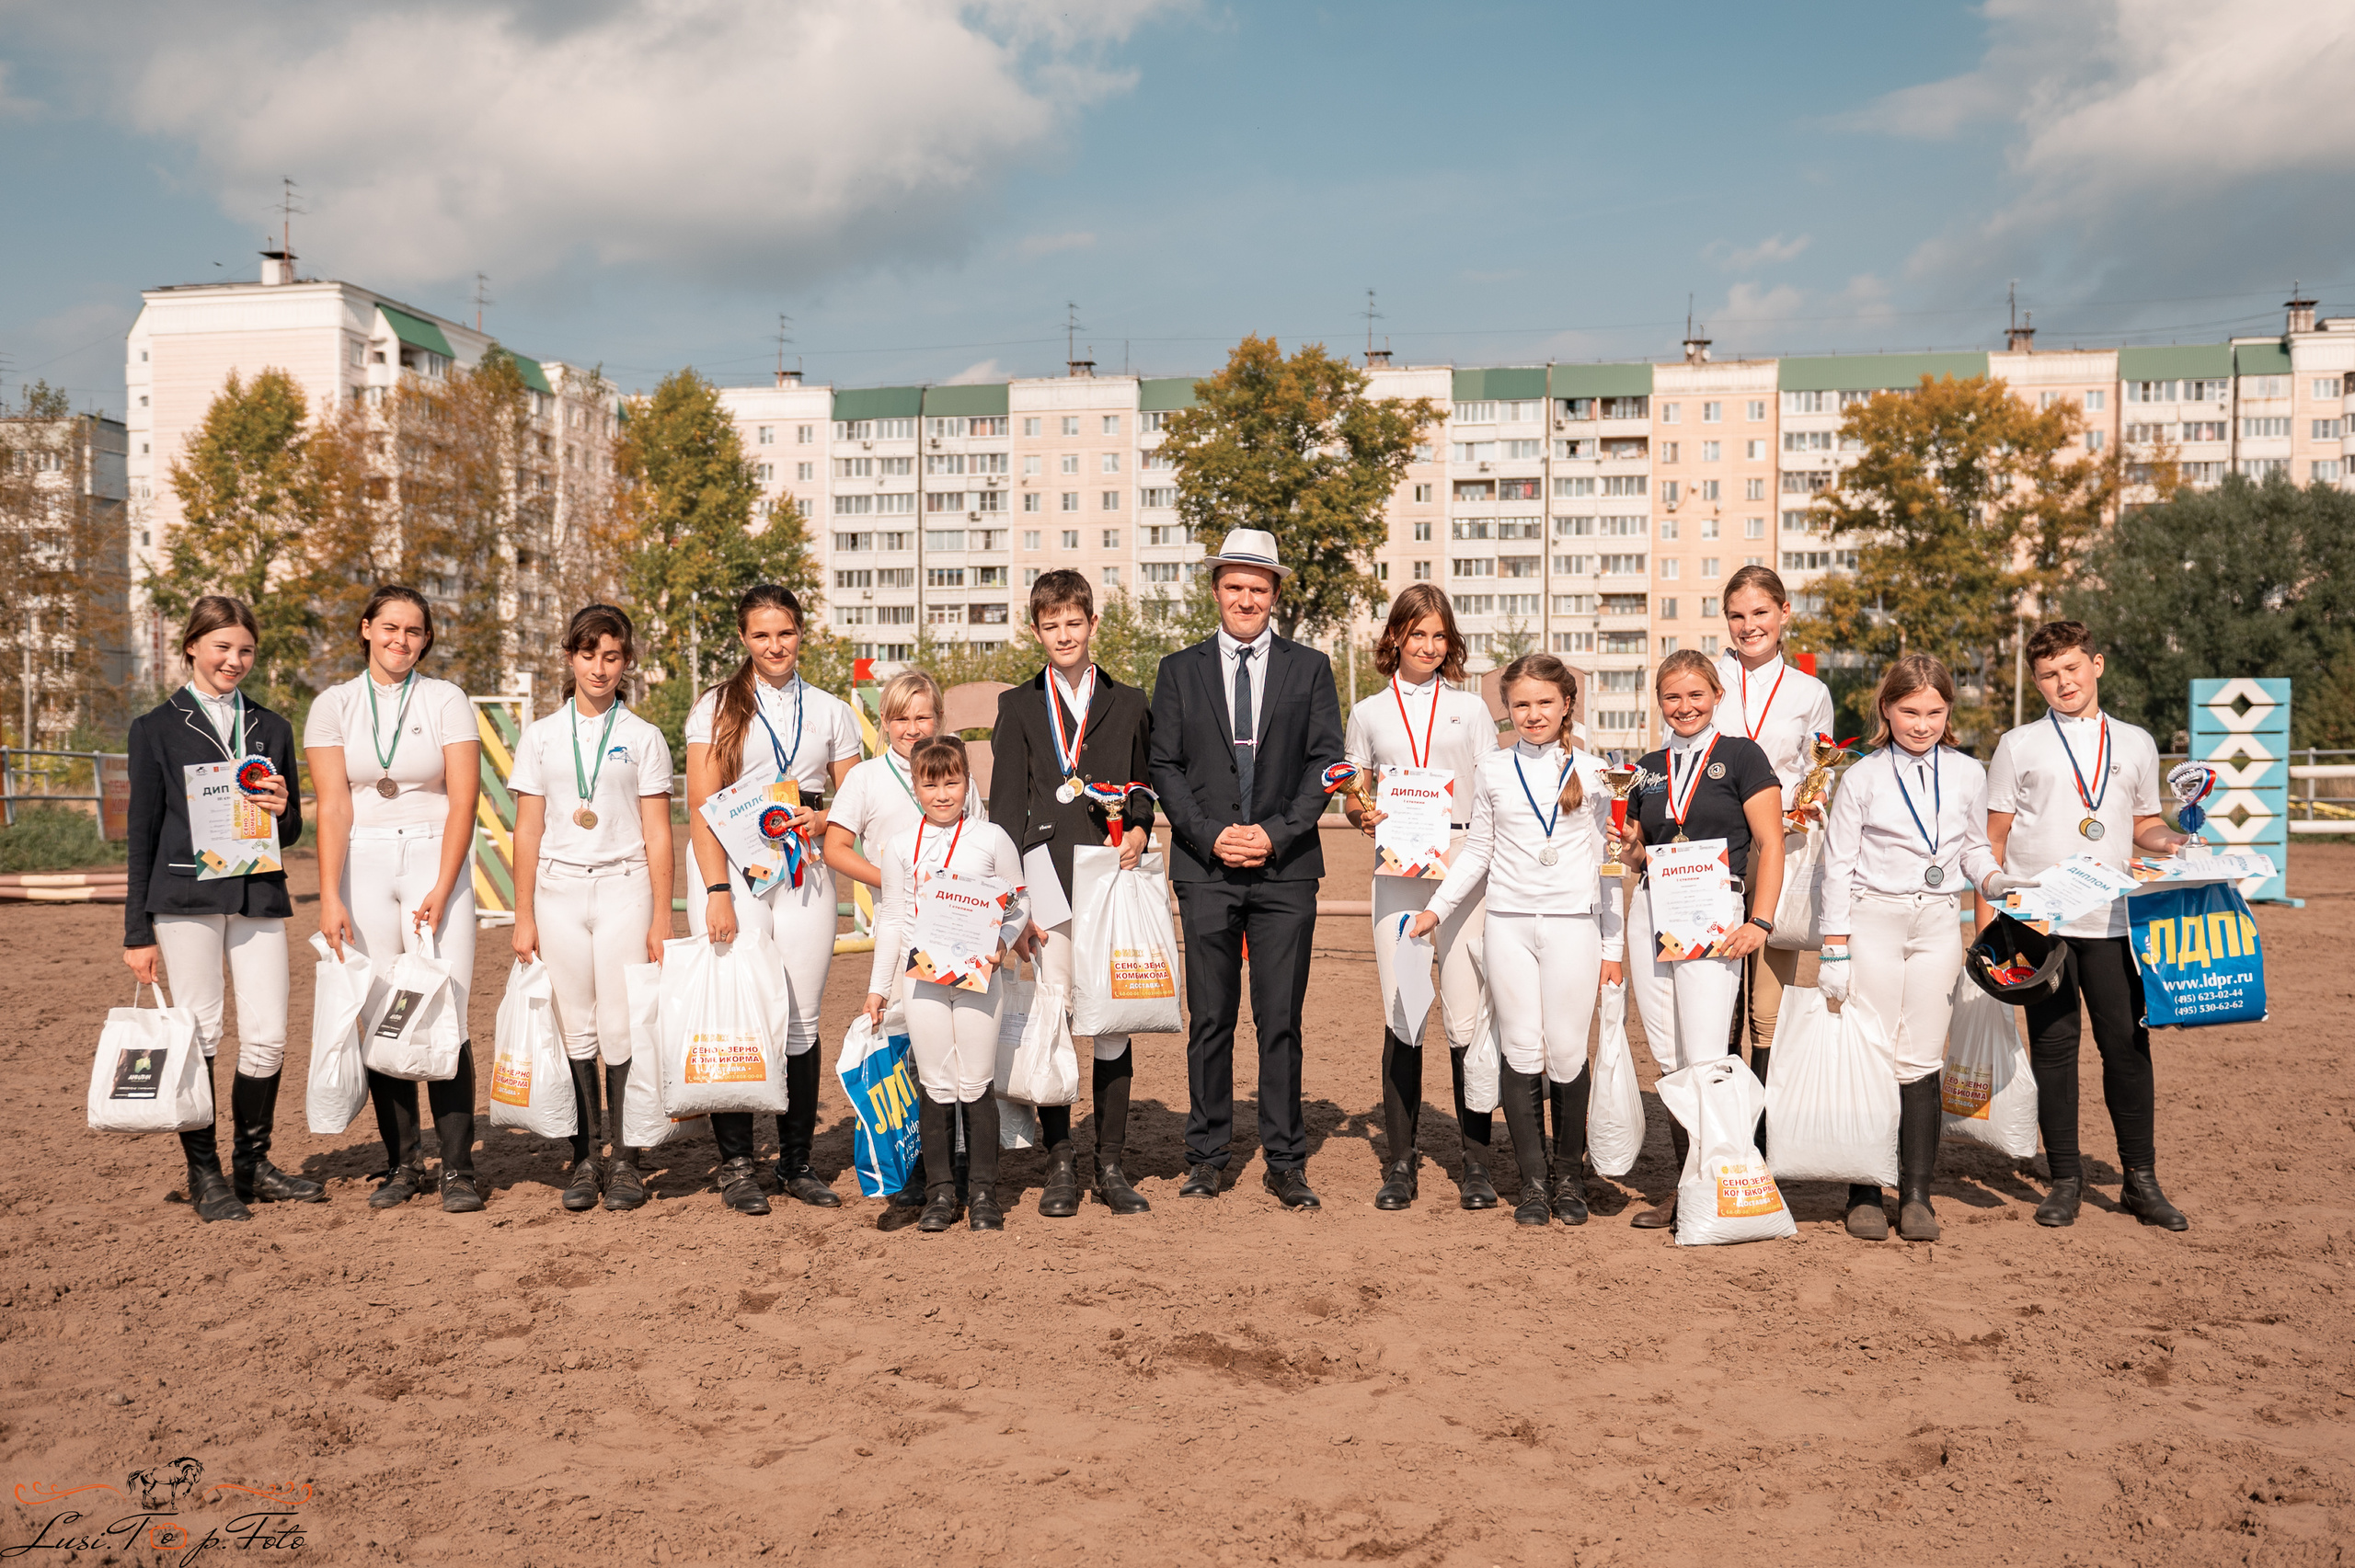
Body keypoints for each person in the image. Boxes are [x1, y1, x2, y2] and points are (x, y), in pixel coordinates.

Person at [1148, 528, 1344, 1210]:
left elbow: (1326, 762)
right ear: (1215, 591)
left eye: (1258, 588)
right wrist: (1212, 835)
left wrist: (1274, 833)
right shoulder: (1178, 669)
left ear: (1275, 595)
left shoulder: (1311, 668)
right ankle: (1206, 1155)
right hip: (1206, 867)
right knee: (1210, 1017)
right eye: (1234, 586)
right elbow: (1164, 766)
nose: (1246, 598)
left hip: (1286, 869)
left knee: (1280, 1017)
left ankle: (1286, 1159)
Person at [1983, 620, 2188, 1230]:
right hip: (2038, 922)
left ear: (2096, 665)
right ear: (2036, 680)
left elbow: (2144, 825)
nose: (2062, 681)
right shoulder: (2017, 744)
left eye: (2072, 668)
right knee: (2053, 1047)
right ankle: (2065, 1179)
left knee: (2126, 1045)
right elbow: (1992, 843)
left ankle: (2141, 1181)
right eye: (2048, 674)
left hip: (2113, 917)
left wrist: (2173, 840)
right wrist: (1987, 930)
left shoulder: (2136, 742)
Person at [1409, 654, 1622, 1226]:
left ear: (1567, 705)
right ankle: (1533, 1184)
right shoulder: (1494, 768)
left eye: (1544, 702)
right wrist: (1436, 909)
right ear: (1506, 710)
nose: (1533, 714)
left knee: (1568, 1049)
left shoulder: (1599, 773)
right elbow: (1479, 849)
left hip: (1574, 926)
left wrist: (1613, 948)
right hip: (1507, 924)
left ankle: (1570, 1180)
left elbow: (1610, 862)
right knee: (1522, 1047)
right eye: (1520, 704)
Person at [122, 596, 313, 1222]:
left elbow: (289, 833)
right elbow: (142, 832)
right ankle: (206, 1174)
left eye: (246, 649)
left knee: (267, 1036)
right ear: (192, 648)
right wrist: (136, 930)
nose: (235, 659)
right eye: (223, 646)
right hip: (185, 900)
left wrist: (284, 807)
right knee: (201, 1031)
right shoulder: (155, 727)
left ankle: (252, 1165)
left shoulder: (272, 728)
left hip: (257, 894)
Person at [683, 584, 863, 1215]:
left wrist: (826, 818)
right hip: (734, 869)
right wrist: (715, 892)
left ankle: (796, 1161)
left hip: (804, 867)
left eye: (784, 632)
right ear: (743, 639)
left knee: (802, 1015)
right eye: (762, 635)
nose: (775, 645)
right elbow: (701, 808)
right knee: (739, 1010)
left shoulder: (831, 710)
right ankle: (736, 1163)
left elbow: (854, 797)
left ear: (800, 633)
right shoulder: (714, 707)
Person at [307, 586, 485, 1212]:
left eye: (414, 631)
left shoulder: (446, 699)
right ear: (366, 628)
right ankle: (403, 1163)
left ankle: (459, 1169)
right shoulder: (333, 704)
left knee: (447, 1007)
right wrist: (330, 894)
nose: (400, 640)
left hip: (435, 857)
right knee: (381, 1009)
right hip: (365, 860)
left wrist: (443, 882)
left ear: (426, 639)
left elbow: (464, 797)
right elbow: (332, 804)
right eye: (390, 627)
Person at [988, 570, 1157, 1217]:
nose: (1064, 633)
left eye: (1073, 622)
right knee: (1052, 1017)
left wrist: (1140, 823)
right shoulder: (1017, 706)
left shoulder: (1131, 700)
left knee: (1112, 1022)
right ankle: (1060, 1162)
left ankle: (1110, 1163)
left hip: (1111, 876)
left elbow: (1142, 782)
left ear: (1092, 624)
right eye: (1050, 624)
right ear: (1036, 631)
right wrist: (1013, 905)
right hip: (1047, 884)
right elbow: (1005, 813)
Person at [1816, 654, 2001, 1242]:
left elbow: (1973, 849)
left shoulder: (1971, 774)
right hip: (1874, 920)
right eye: (1908, 711)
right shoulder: (1862, 777)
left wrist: (1994, 880)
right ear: (1886, 710)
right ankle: (1864, 1189)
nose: (1921, 724)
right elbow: (1837, 866)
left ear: (1949, 711)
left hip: (1939, 923)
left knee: (1920, 1055)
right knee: (1872, 1050)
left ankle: (1916, 1191)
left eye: (1934, 712)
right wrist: (1836, 947)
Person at [506, 605, 675, 1214]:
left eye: (611, 655)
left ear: (626, 660)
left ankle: (627, 1160)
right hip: (557, 892)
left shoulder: (645, 736)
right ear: (569, 657)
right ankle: (585, 1156)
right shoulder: (540, 736)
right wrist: (522, 913)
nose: (599, 667)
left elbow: (658, 832)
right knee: (574, 1023)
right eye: (587, 654)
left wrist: (662, 915)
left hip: (625, 887)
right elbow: (527, 830)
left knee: (622, 1025)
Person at [1342, 584, 1500, 1211]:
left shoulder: (1472, 709)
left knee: (1465, 1017)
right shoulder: (1368, 712)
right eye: (1418, 634)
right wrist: (1361, 813)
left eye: (1440, 635)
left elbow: (1492, 790)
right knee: (1405, 1014)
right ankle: (1401, 1166)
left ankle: (1477, 1164)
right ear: (1396, 638)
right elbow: (1351, 789)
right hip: (1400, 865)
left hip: (1462, 862)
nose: (1430, 646)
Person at [1620, 648, 1785, 1230]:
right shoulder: (1646, 764)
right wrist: (1629, 841)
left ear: (1716, 695)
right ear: (1659, 702)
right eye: (1671, 696)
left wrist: (1759, 920)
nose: (1683, 707)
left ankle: (1723, 1184)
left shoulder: (1742, 755)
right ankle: (1689, 1181)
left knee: (1709, 1053)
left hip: (1714, 912)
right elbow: (1640, 850)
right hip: (1653, 911)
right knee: (1668, 1054)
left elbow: (1770, 843)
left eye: (1695, 695)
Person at [825, 667, 984, 1226]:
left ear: (938, 719)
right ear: (885, 723)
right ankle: (914, 1174)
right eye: (901, 718)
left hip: (957, 937)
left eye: (923, 716)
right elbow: (835, 847)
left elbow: (982, 849)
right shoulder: (866, 779)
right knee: (904, 1056)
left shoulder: (955, 773)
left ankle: (960, 1167)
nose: (912, 727)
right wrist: (891, 881)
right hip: (899, 937)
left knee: (955, 1055)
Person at [861, 737, 1032, 1231]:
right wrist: (878, 988)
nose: (942, 794)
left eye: (952, 782)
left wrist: (1001, 942)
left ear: (966, 782)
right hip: (924, 981)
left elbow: (1017, 902)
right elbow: (891, 917)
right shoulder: (898, 845)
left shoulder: (991, 837)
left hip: (979, 976)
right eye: (929, 783)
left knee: (976, 1083)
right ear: (914, 785)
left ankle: (983, 1193)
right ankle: (939, 1193)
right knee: (936, 1085)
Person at [1716, 565, 1836, 1093]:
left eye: (1760, 613)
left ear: (1784, 613)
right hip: (1711, 853)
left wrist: (1806, 808)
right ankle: (1716, 1121)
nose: (1749, 626)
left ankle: (1763, 1132)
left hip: (1777, 848)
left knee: (1767, 997)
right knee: (1714, 993)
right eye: (1737, 616)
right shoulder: (1705, 679)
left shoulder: (1811, 692)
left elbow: (1820, 773)